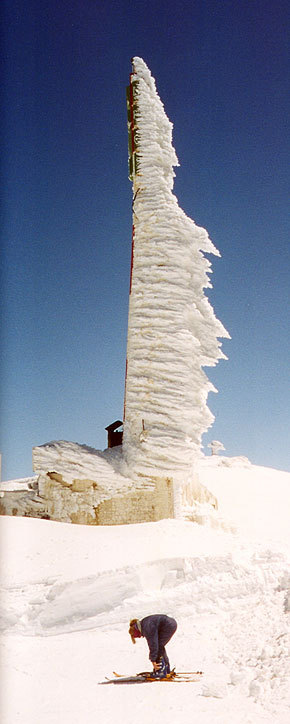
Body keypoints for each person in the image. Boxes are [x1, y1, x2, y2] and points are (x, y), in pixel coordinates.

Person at [128, 614, 177, 678]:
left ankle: (161, 671)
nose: (141, 637)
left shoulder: (147, 627)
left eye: (138, 636)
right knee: (159, 646)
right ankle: (166, 669)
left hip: (169, 625)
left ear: (136, 631)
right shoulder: (144, 624)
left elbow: (153, 644)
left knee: (158, 646)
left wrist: (153, 660)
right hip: (170, 623)